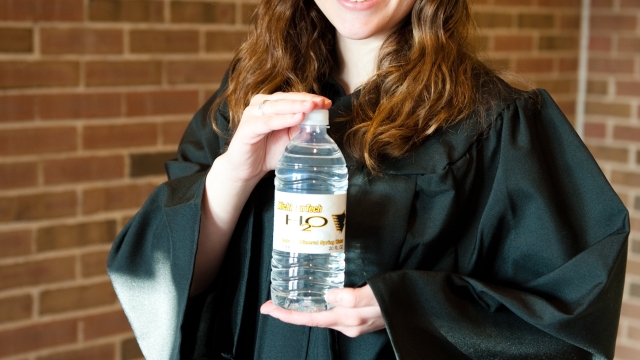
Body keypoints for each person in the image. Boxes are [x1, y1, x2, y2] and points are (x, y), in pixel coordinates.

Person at [107, 0, 629, 359]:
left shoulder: (496, 124)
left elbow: (569, 316)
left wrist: (407, 309)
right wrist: (235, 174)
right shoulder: (248, 99)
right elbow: (168, 281)